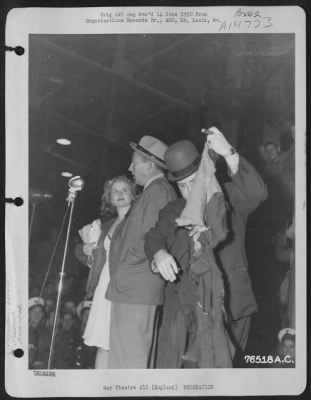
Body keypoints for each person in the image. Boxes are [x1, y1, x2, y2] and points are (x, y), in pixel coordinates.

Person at [145, 128, 268, 367]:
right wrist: (159, 254)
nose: (190, 191)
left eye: (193, 182)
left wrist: (228, 153)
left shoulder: (229, 197)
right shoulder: (172, 212)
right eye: (182, 186)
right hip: (192, 313)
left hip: (234, 307)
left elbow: (258, 192)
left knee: (229, 382)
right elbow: (153, 236)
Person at [106, 135, 177, 369]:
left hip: (135, 287)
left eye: (133, 162)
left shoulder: (158, 192)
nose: (130, 168)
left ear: (149, 164)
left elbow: (150, 238)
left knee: (127, 364)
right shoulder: (153, 192)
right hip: (134, 288)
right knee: (130, 360)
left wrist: (125, 267)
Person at [75, 175, 136, 368]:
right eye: (115, 191)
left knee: (123, 343)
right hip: (104, 286)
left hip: (127, 286)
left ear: (133, 194)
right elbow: (86, 254)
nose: (119, 194)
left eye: (124, 189)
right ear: (109, 198)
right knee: (103, 343)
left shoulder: (137, 221)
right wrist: (84, 250)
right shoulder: (105, 225)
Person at [73, 300, 97, 369]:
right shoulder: (73, 334)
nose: (87, 318)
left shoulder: (95, 338)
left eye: (90, 315)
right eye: (85, 315)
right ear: (81, 316)